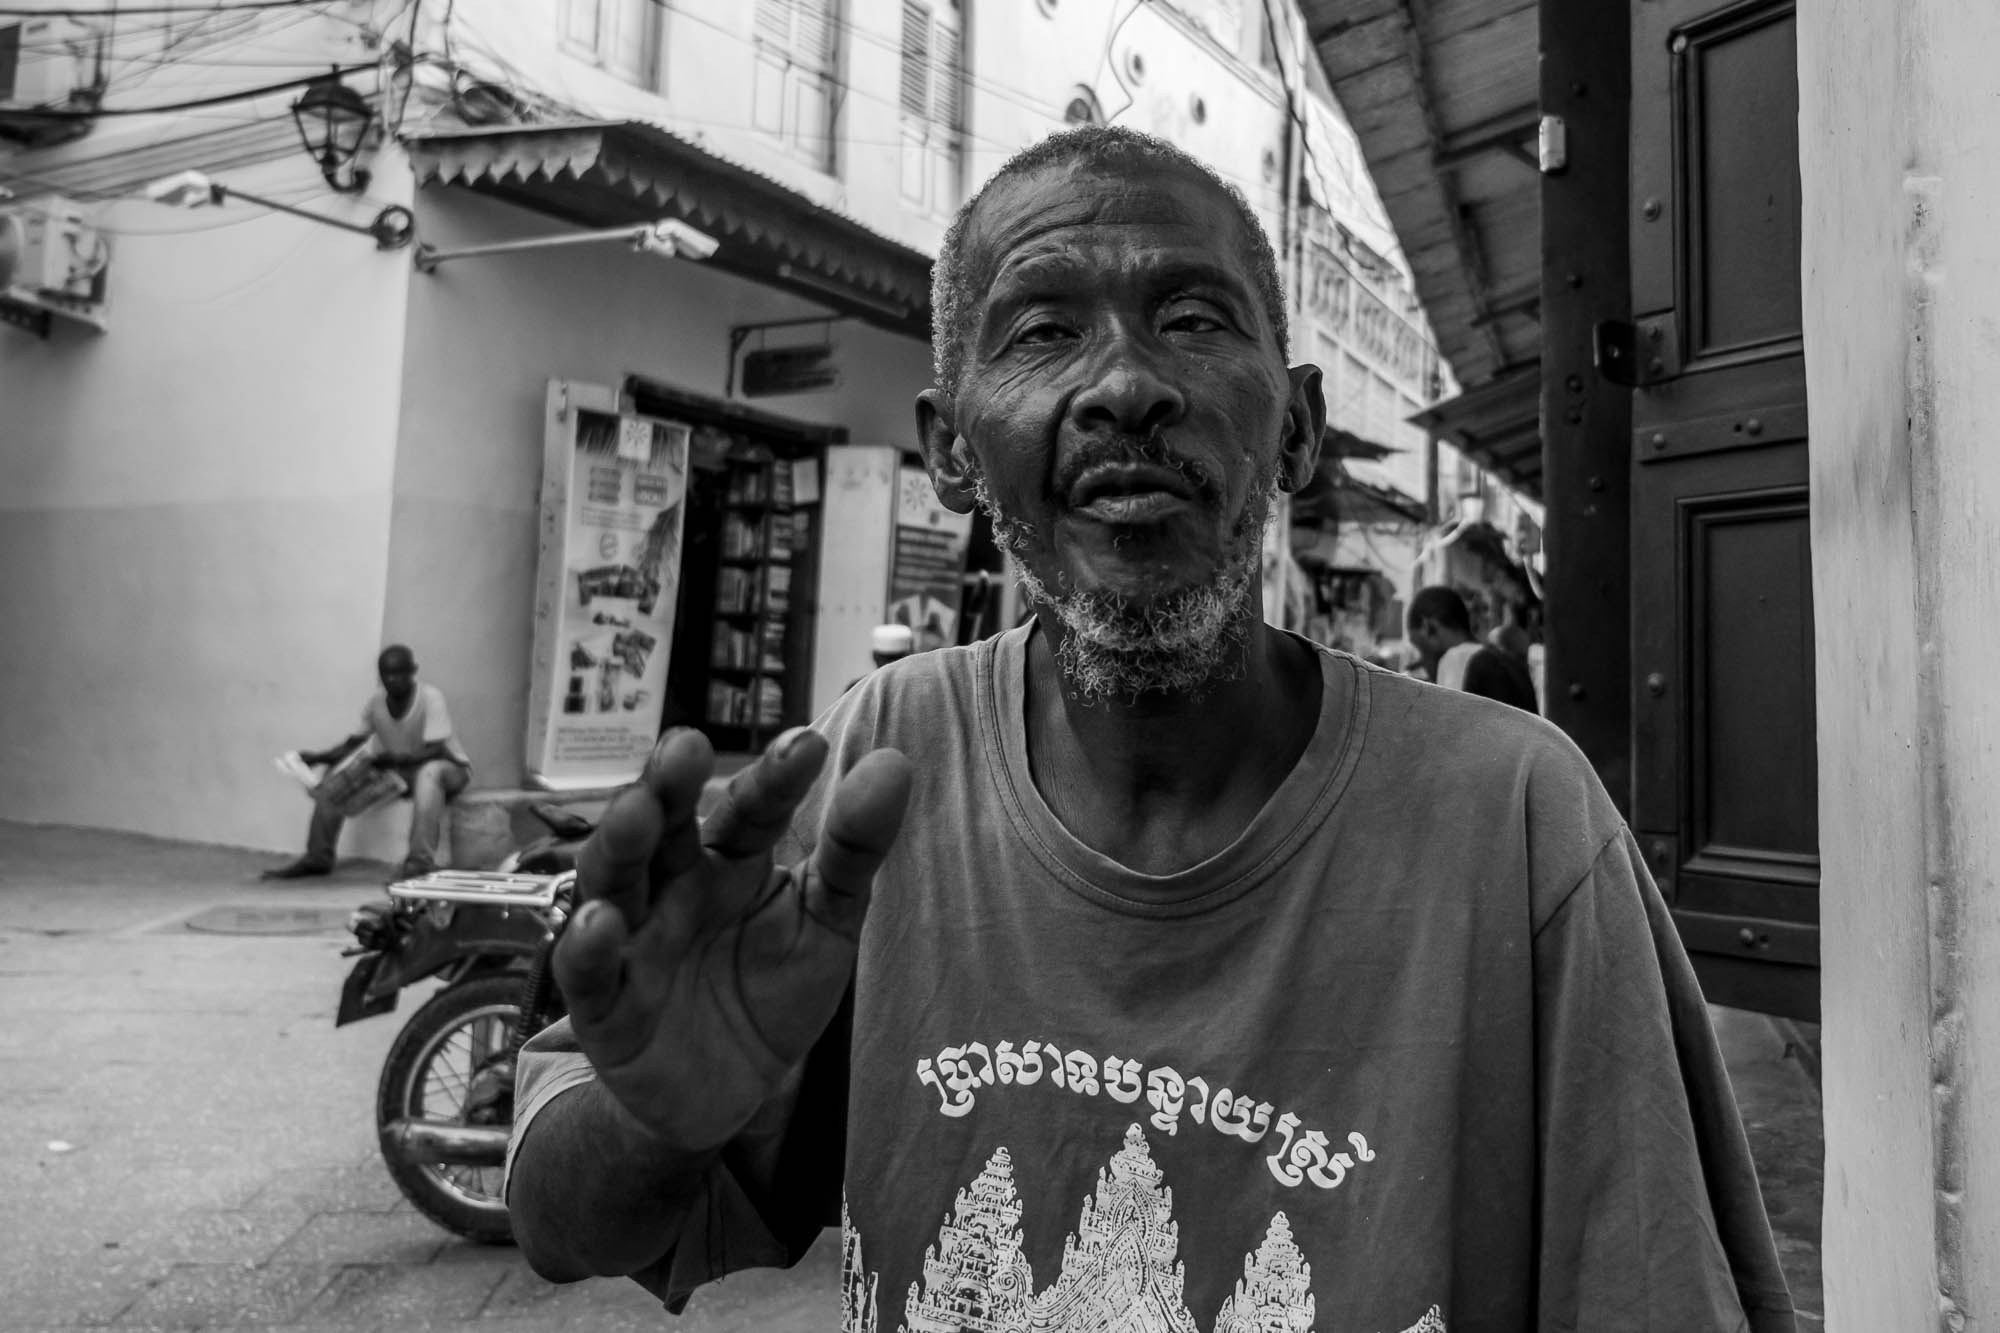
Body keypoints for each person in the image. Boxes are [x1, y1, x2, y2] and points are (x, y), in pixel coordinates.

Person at [505, 127, 1796, 1332]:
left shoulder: (1513, 818)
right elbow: (563, 1226)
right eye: (1045, 332)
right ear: (952, 450)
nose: (1124, 384)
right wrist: (657, 1124)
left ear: (1292, 430)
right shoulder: (884, 773)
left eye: (1189, 318)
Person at [262, 644, 472, 881]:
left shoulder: (430, 697)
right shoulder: (376, 703)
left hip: (447, 769)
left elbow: (436, 750)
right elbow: (352, 743)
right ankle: (317, 856)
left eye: (399, 673)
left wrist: (394, 760)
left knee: (429, 773)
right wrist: (317, 758)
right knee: (335, 780)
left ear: (413, 671)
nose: (393, 680)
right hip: (401, 774)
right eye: (386, 674)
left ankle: (418, 862)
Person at [1407, 584, 1540, 714]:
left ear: (1428, 627)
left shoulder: (1456, 660)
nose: (1422, 662)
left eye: (1419, 648)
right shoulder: (1510, 661)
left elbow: (1450, 730)